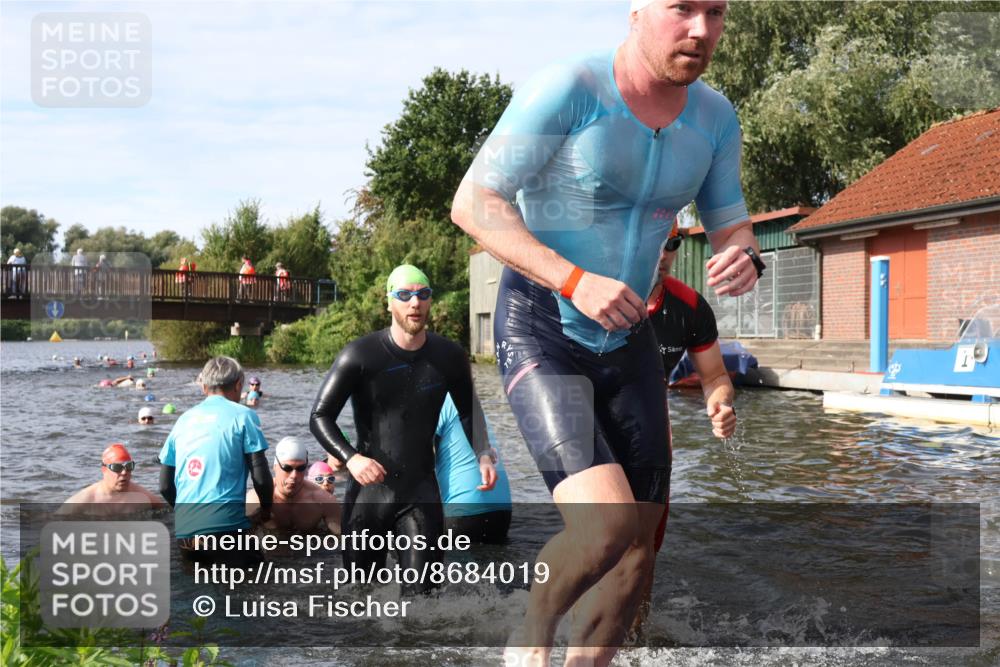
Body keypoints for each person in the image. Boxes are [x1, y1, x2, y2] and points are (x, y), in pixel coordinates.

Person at [449, 1, 763, 661]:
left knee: (637, 554)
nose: (701, 30)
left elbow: (730, 219)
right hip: (544, 326)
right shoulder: (570, 90)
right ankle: (530, 628)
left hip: (626, 342)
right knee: (605, 527)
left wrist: (744, 251)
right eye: (683, 9)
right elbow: (474, 202)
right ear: (638, 12)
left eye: (716, 12)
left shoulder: (714, 118)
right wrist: (573, 279)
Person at [309, 264, 497, 594]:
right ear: (389, 302)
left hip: (421, 494)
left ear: (430, 301)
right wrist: (351, 459)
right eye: (405, 295)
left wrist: (482, 453)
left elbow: (468, 411)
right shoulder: (360, 355)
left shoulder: (449, 356)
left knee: (424, 604)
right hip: (369, 496)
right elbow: (320, 416)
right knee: (359, 602)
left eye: (423, 295)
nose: (415, 303)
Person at [158, 356, 274, 566]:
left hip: (186, 534)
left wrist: (190, 514)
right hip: (227, 529)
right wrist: (266, 509)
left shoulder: (183, 420)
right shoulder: (244, 415)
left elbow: (165, 485)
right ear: (239, 384)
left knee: (198, 591)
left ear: (203, 387)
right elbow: (261, 475)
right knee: (256, 582)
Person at [435, 393, 513, 544]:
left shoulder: (435, 401)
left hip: (463, 514)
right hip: (502, 511)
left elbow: (421, 462)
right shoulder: (467, 402)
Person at [246, 437, 341, 535]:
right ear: (275, 467)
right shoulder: (255, 499)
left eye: (301, 468)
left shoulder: (324, 500)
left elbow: (344, 539)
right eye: (287, 468)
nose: (294, 476)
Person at [59, 444, 164, 516]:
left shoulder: (141, 495)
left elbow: (164, 511)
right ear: (104, 469)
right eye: (117, 468)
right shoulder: (85, 499)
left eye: (129, 466)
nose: (124, 472)